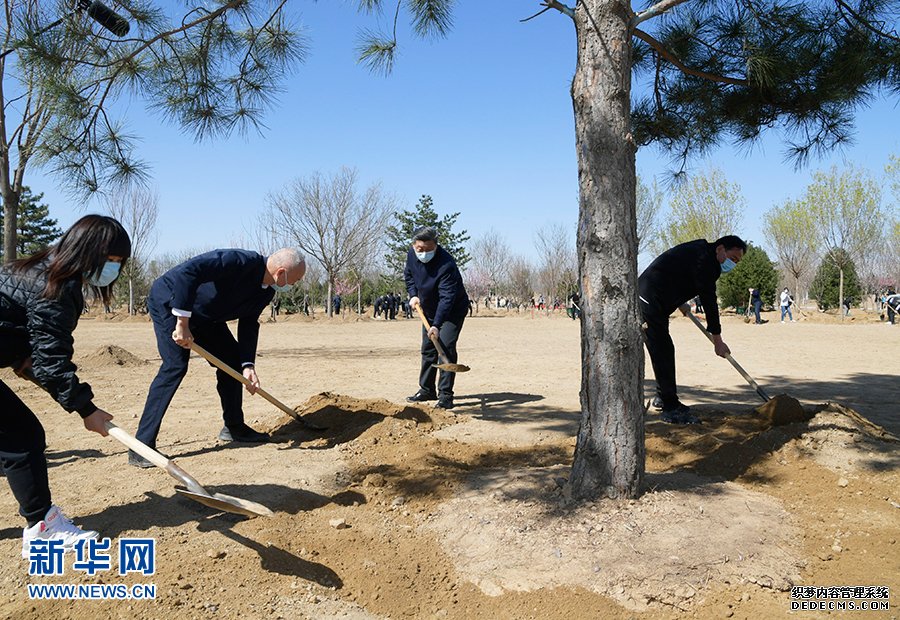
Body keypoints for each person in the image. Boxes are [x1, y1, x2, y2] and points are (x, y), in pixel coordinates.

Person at [0, 214, 129, 556]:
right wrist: (87, 409)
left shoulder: (35, 267)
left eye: (119, 263)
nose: (113, 269)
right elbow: (52, 362)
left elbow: (15, 329)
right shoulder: (56, 286)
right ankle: (43, 526)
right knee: (22, 435)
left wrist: (22, 360)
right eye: (111, 260)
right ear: (89, 253)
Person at [131, 248, 305, 467]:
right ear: (281, 273)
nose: (295, 285)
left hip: (205, 317)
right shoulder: (238, 261)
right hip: (170, 302)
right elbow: (189, 271)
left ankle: (234, 427)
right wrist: (182, 323)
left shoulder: (265, 292)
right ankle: (141, 446)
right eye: (295, 280)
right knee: (175, 366)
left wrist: (248, 364)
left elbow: (249, 323)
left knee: (232, 361)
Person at [639, 235, 747, 424]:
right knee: (662, 350)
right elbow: (709, 300)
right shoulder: (707, 262)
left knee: (663, 349)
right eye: (733, 258)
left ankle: (664, 396)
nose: (733, 264)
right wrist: (718, 341)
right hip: (649, 301)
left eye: (737, 262)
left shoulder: (700, 250)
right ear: (721, 249)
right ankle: (670, 407)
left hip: (651, 297)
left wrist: (680, 303)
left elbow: (678, 273)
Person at [404, 226, 469, 410]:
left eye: (428, 249)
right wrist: (413, 294)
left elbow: (447, 298)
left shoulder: (446, 264)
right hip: (428, 309)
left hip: (452, 310)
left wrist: (437, 325)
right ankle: (426, 390)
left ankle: (445, 396)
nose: (423, 253)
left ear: (436, 246)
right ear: (414, 245)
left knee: (445, 347)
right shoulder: (411, 255)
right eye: (420, 249)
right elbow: (409, 275)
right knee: (428, 348)